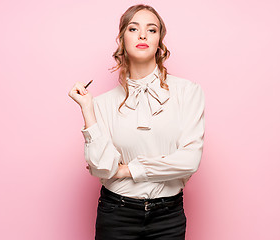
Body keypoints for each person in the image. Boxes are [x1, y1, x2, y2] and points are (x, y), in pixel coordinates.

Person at [68, 4, 205, 240]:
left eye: (151, 30)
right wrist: (88, 110)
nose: (142, 35)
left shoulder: (188, 92)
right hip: (116, 214)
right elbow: (102, 168)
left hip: (168, 216)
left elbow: (190, 160)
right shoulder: (102, 103)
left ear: (160, 41)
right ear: (122, 39)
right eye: (133, 29)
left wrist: (125, 170)